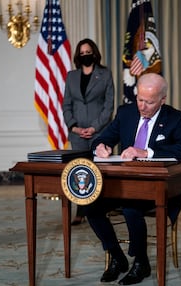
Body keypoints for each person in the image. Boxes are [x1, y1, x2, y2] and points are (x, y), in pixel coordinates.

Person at [85, 73, 181, 285]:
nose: (142, 106)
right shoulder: (126, 113)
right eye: (140, 99)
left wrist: (146, 152)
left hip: (158, 189)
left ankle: (141, 261)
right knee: (89, 205)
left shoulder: (175, 118)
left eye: (149, 102)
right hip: (122, 184)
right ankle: (117, 257)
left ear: (162, 99)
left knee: (130, 207)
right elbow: (103, 138)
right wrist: (100, 146)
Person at [63, 38, 114, 225]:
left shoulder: (105, 74)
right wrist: (74, 127)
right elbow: (66, 105)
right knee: (78, 171)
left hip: (99, 132)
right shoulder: (71, 76)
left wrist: (94, 127)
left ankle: (102, 209)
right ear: (78, 55)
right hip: (77, 134)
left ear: (94, 53)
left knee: (99, 171)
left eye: (88, 52)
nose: (85, 55)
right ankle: (80, 211)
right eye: (82, 53)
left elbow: (109, 106)